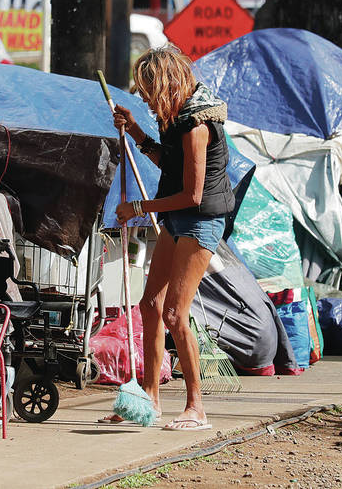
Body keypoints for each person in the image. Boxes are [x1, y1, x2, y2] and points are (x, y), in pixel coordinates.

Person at [102, 45, 234, 430]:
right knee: (150, 305)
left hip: (200, 221)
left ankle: (197, 407)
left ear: (166, 84)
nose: (145, 99)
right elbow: (168, 162)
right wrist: (137, 131)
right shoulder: (176, 117)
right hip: (177, 220)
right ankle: (150, 400)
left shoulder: (196, 126)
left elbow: (192, 195)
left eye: (147, 92)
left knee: (176, 313)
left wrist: (140, 207)